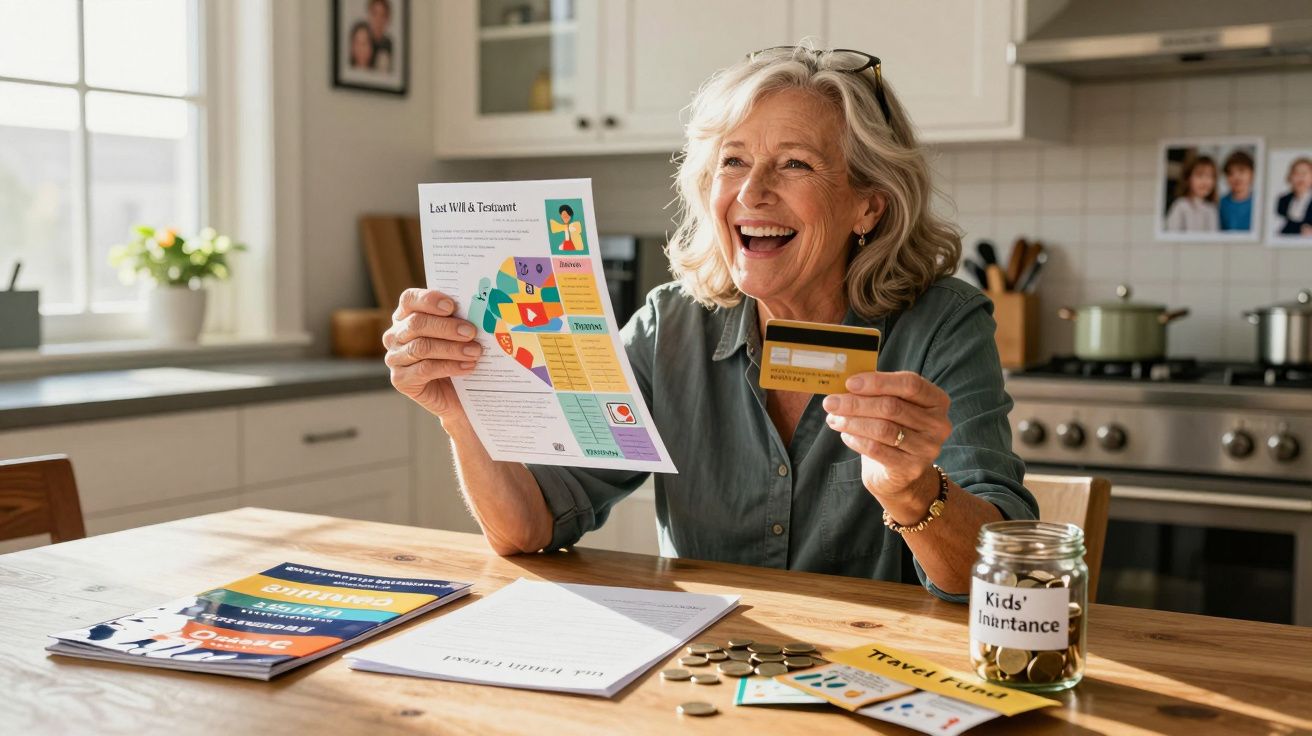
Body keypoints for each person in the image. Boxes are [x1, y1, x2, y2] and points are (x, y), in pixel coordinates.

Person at [383, 47, 1037, 601]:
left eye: (795, 164)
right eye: (733, 161)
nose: (752, 192)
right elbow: (527, 528)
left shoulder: (943, 326)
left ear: (868, 206)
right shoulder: (670, 325)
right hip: (707, 676)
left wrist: (912, 487)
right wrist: (461, 412)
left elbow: (1000, 580)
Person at [1164, 154, 1219, 233]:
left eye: (1210, 176)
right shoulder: (1180, 206)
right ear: (1188, 178)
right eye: (1199, 175)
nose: (1205, 181)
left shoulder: (1212, 210)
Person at [1218, 150, 1254, 232]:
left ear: (1252, 174)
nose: (1236, 177)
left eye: (1241, 171)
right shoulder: (1220, 203)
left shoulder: (1258, 203)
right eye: (1230, 173)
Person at [1275, 156, 1312, 236]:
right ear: (1290, 177)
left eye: (1304, 173)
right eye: (1296, 173)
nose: (1300, 177)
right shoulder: (1283, 200)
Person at [367, 0, 394, 73]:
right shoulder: (362, 41)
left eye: (382, 15)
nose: (378, 19)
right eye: (374, 14)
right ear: (369, 15)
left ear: (387, 19)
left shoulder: (389, 44)